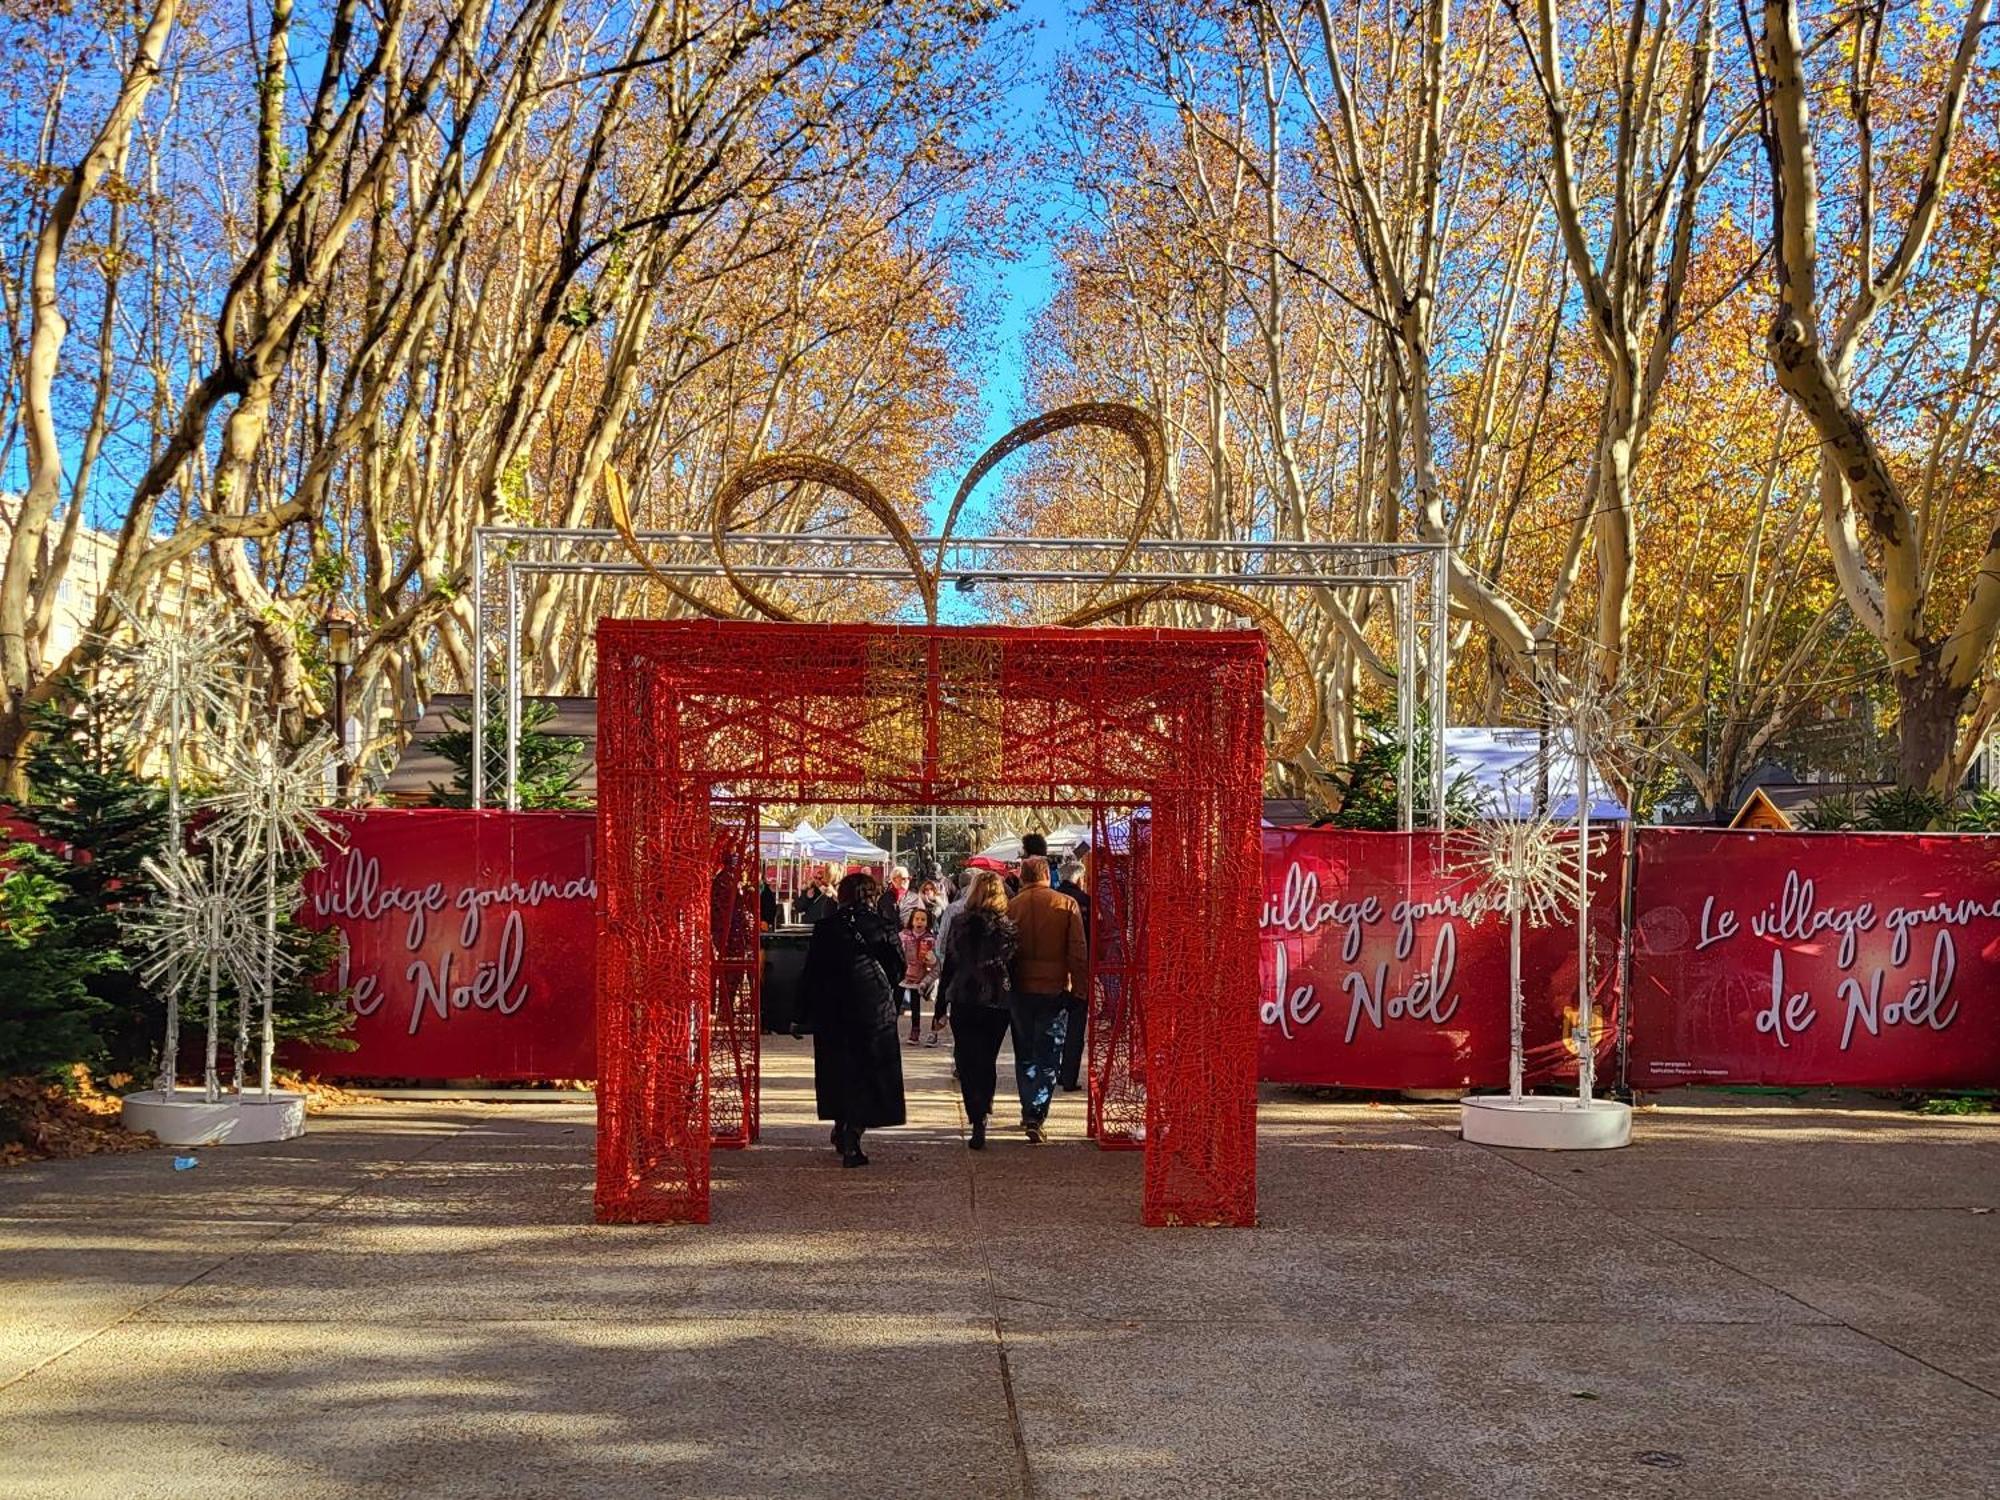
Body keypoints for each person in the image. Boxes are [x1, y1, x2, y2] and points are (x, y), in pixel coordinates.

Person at [800, 872, 907, 1168]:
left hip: (833, 1008)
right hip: (872, 1007)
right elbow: (898, 967)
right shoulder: (881, 927)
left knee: (837, 1068)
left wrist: (800, 1013)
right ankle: (854, 1133)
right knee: (869, 1070)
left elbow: (811, 972)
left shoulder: (826, 928)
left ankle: (840, 1121)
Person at [1006, 855, 1087, 1144]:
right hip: (1054, 988)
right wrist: (1080, 988)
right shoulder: (1066, 905)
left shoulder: (1011, 907)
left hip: (1020, 988)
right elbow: (1077, 952)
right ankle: (1038, 1111)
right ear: (1047, 875)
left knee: (1024, 1051)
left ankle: (1029, 1107)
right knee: (1049, 1054)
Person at [937, 870, 1017, 1150]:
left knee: (967, 1058)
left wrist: (939, 1007)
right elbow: (1013, 967)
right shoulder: (1007, 927)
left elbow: (949, 964)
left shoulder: (960, 923)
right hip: (996, 1001)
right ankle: (983, 1107)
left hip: (964, 997)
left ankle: (975, 1110)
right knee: (987, 1059)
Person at [1053, 857, 1091, 1092]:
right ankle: (1068, 1075)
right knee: (1075, 1028)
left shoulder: (1051, 900)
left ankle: (1052, 1070)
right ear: (1080, 878)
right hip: (1079, 972)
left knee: (1054, 1025)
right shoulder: (1086, 902)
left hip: (1052, 974)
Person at [897, 906, 939, 1044]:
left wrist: (931, 958)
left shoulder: (930, 939)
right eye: (917, 919)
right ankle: (890, 1028)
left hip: (919, 976)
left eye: (923, 919)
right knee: (896, 1001)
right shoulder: (903, 936)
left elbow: (935, 961)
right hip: (903, 974)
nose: (919, 922)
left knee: (916, 1004)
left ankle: (915, 1029)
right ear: (911, 921)